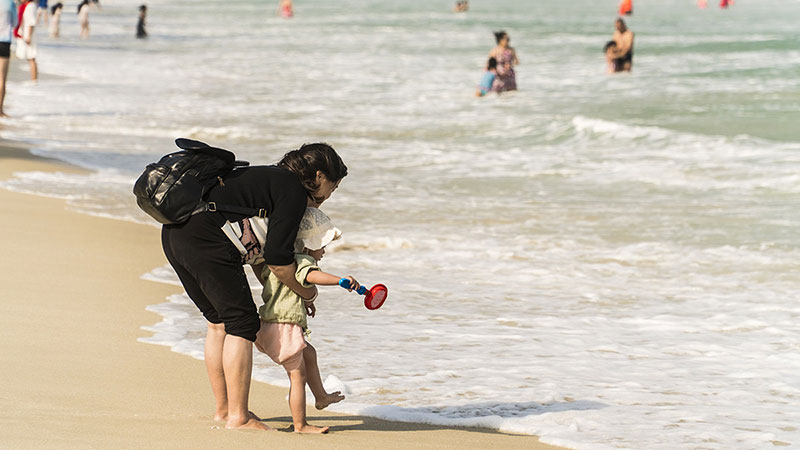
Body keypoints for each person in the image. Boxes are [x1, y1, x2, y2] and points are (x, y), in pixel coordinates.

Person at [160, 143, 347, 431]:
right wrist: (305, 291)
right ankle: (238, 416)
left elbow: (263, 260)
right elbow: (278, 261)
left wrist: (286, 292)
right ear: (320, 176)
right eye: (332, 188)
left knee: (219, 323)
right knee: (241, 324)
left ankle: (224, 411)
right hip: (205, 239)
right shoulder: (293, 192)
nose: (328, 197)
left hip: (176, 236)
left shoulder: (268, 180)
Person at [254, 207, 351, 433]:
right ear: (308, 244)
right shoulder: (302, 260)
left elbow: (288, 286)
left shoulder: (279, 260)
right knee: (297, 377)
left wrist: (306, 301)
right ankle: (300, 425)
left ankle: (321, 397)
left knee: (309, 352)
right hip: (284, 327)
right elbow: (309, 276)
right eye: (322, 246)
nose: (324, 251)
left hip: (269, 325)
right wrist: (340, 281)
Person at [14, 0, 37, 82]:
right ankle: (32, 80)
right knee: (28, 57)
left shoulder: (31, 6)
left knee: (31, 57)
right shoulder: (25, 6)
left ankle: (34, 80)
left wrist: (29, 36)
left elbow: (31, 22)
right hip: (24, 34)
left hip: (28, 35)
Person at [0, 0, 14, 117]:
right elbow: (15, 22)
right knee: (2, 79)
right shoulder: (10, 2)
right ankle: (0, 110)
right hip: (4, 42)